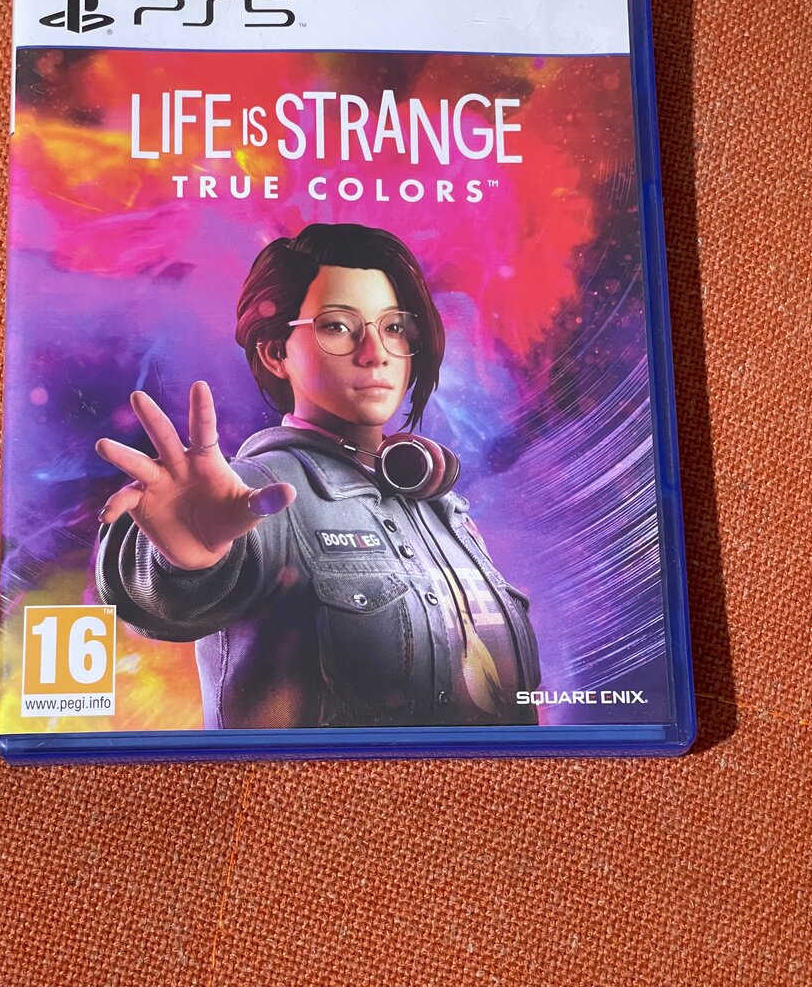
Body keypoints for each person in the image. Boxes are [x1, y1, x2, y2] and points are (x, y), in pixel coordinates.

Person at [96, 223, 540, 729]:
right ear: (276, 352)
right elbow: (167, 598)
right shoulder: (259, 497)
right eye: (337, 326)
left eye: (394, 327)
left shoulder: (439, 507)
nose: (375, 352)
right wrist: (185, 559)